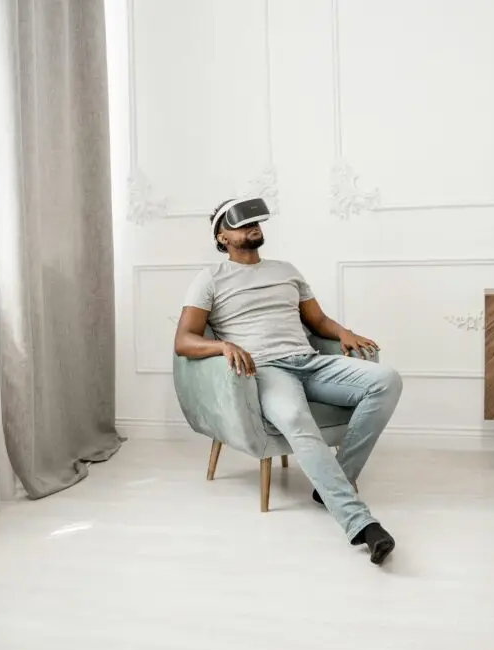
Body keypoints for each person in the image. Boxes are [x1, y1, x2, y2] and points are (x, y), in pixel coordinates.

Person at [173, 197, 403, 565]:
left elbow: (318, 321)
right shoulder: (210, 279)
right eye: (241, 225)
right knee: (296, 419)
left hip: (311, 362)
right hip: (266, 372)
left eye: (256, 223)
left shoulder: (286, 270)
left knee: (387, 380)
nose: (253, 228)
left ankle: (332, 484)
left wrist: (344, 332)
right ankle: (360, 523)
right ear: (222, 236)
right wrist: (223, 345)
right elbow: (184, 340)